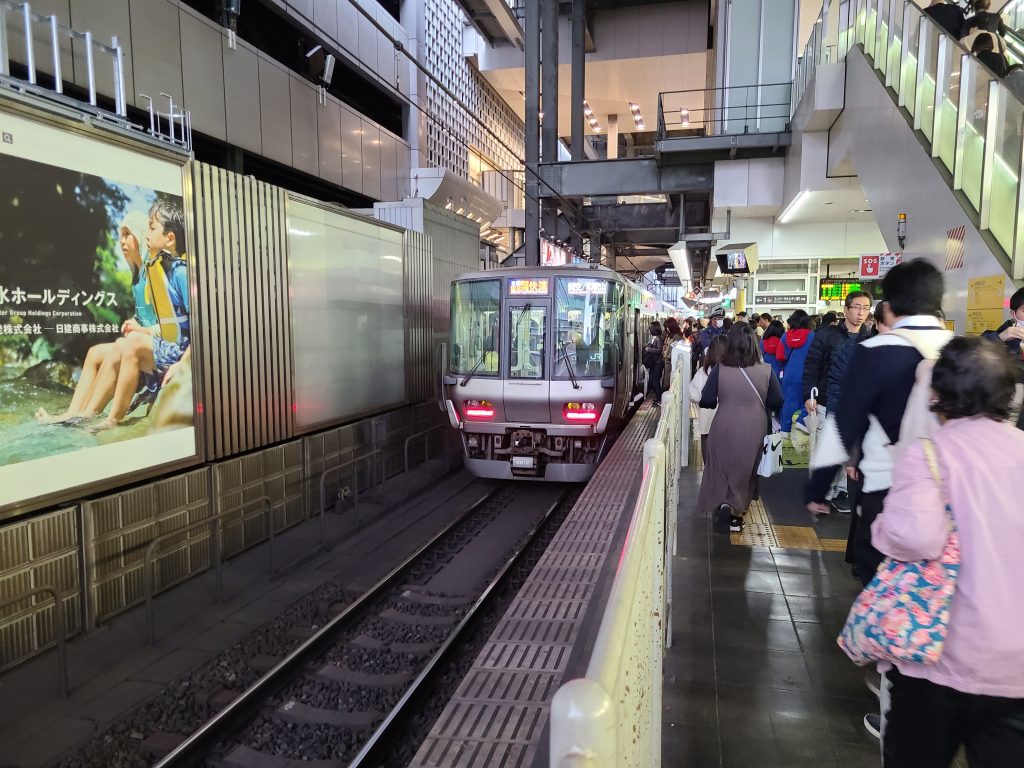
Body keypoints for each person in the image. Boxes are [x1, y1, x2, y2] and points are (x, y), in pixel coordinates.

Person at [872, 336, 1024, 766]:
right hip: (1015, 668)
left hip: (937, 655)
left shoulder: (931, 456)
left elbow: (914, 536)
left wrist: (881, 527)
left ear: (936, 395)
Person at [35, 211, 155, 425]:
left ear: (141, 235)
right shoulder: (137, 276)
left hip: (154, 345)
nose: (122, 241)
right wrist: (133, 326)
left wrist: (138, 329)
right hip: (141, 341)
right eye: (121, 235)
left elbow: (168, 323)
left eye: (128, 234)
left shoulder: (154, 273)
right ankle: (70, 414)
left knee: (119, 347)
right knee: (94, 353)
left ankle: (86, 416)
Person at [90, 199, 191, 431]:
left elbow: (199, 327)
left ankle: (112, 419)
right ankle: (89, 414)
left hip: (178, 351)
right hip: (167, 346)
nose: (147, 233)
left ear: (170, 239)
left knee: (133, 342)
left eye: (152, 228)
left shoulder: (180, 273)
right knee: (122, 345)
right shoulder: (159, 269)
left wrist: (183, 365)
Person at [698, 324, 783, 534]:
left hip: (724, 424)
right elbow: (777, 400)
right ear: (754, 344)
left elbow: (706, 400)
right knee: (746, 471)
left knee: (720, 467)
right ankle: (736, 516)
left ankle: (722, 502)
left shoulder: (721, 369)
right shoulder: (766, 370)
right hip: (755, 427)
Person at [803, 291, 875, 515]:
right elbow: (812, 364)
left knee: (849, 448)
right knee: (829, 445)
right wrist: (808, 394)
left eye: (865, 308)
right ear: (845, 309)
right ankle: (824, 493)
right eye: (856, 307)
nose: (860, 312)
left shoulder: (871, 338)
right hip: (826, 399)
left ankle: (842, 491)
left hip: (857, 403)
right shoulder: (827, 335)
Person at [775, 309, 815, 435]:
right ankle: (800, 424)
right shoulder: (812, 336)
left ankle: (785, 431)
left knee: (788, 402)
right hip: (806, 375)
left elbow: (780, 356)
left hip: (788, 374)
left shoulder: (785, 336)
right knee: (806, 402)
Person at [689, 335, 727, 460]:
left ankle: (709, 472)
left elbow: (693, 395)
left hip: (707, 419)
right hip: (727, 420)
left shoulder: (703, 371)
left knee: (707, 447)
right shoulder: (734, 371)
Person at [643, 320, 664, 405]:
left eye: (650, 328)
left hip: (658, 363)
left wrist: (649, 349)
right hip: (654, 363)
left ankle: (660, 398)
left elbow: (660, 350)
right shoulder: (654, 338)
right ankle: (659, 397)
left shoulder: (658, 338)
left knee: (655, 382)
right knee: (652, 381)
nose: (649, 329)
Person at [662, 317, 685, 389]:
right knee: (666, 380)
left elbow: (676, 350)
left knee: (669, 382)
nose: (666, 329)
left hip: (671, 362)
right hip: (667, 361)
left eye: (667, 327)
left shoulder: (677, 337)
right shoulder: (670, 335)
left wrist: (668, 356)